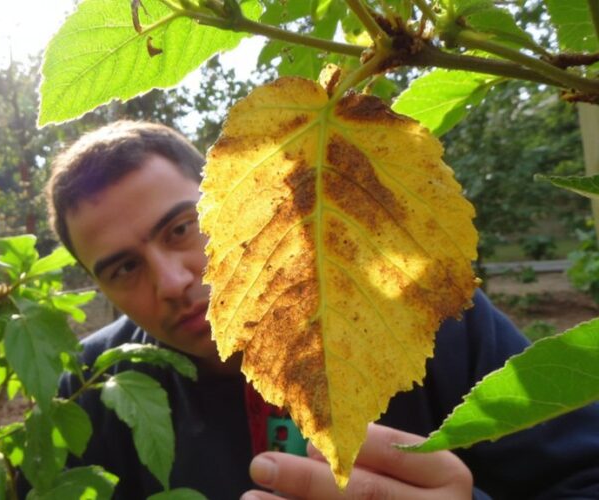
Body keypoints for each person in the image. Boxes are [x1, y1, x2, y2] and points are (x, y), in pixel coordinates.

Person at [44, 120, 599, 499]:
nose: (171, 281)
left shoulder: (418, 305)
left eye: (182, 228)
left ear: (233, 203)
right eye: (123, 268)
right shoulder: (93, 388)